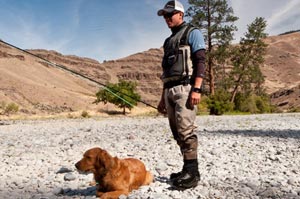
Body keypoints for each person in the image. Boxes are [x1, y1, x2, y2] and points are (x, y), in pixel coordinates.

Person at [157, 0, 206, 190]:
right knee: (177, 132)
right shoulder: (168, 41)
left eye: (171, 14)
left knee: (186, 130)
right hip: (169, 89)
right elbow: (166, 71)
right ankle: (186, 168)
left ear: (181, 15)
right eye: (165, 16)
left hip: (185, 89)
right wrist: (162, 97)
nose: (167, 18)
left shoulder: (192, 32)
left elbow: (201, 61)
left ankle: (193, 173)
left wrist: (197, 88)